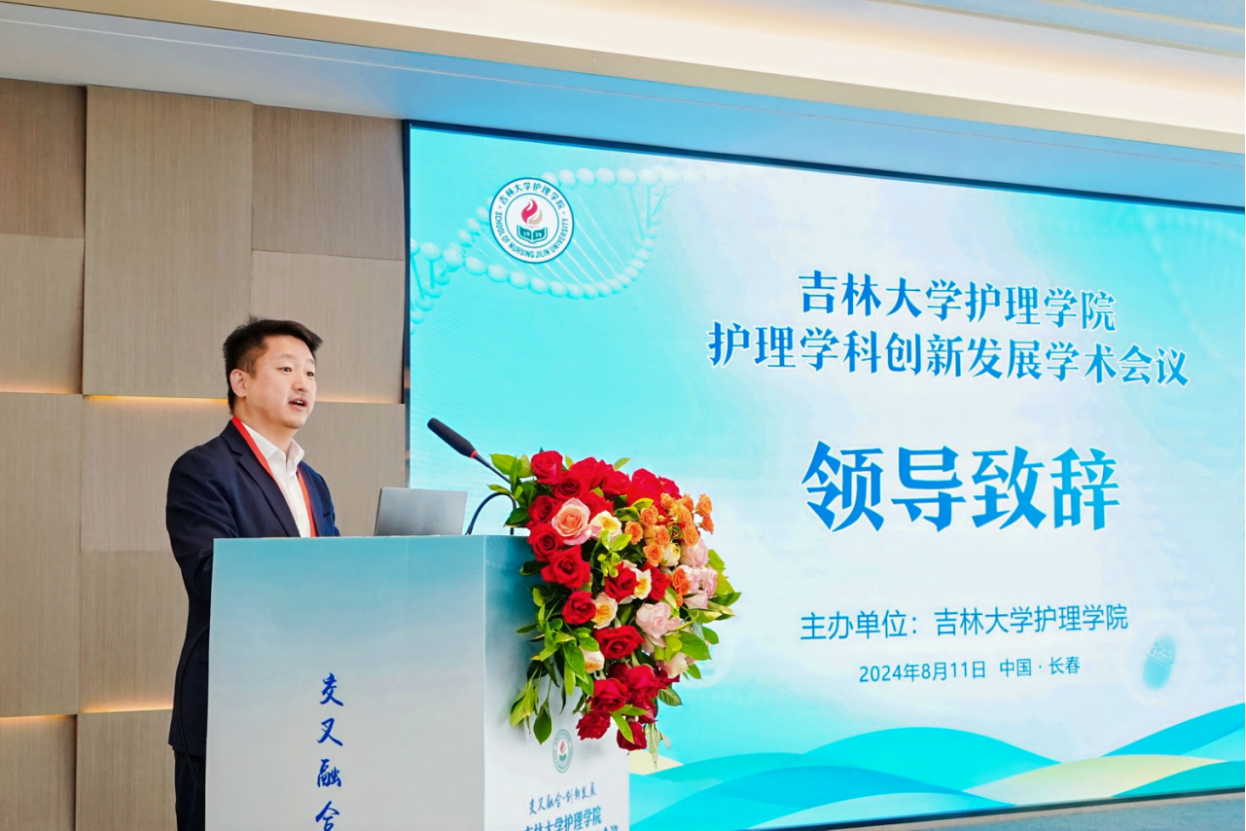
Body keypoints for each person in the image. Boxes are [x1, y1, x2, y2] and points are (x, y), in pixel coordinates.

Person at [166, 318, 340, 831]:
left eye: (310, 372)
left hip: (306, 709)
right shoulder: (204, 469)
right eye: (286, 369)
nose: (303, 383)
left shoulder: (312, 481)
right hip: (231, 709)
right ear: (240, 381)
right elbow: (212, 576)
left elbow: (335, 577)